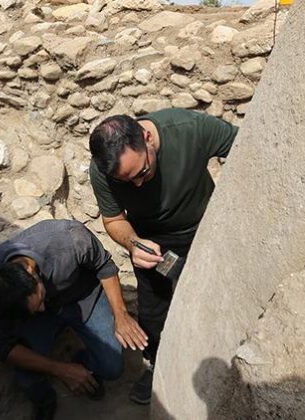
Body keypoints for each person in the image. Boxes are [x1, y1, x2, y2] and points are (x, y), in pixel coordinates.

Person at [88, 108, 239, 404]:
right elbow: (114, 219)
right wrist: (133, 244)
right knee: (154, 309)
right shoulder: (103, 171)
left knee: (215, 296)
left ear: (147, 138)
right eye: (127, 181)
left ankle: (222, 359)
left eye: (142, 172)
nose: (139, 185)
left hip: (206, 231)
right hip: (153, 245)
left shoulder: (190, 128)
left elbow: (250, 149)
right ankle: (157, 364)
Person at [0, 219, 148, 420]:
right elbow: (2, 346)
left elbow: (104, 266)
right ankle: (45, 402)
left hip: (82, 297)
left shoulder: (68, 239)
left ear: (32, 272)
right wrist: (61, 370)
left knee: (111, 367)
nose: (42, 308)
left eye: (39, 299)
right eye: (34, 308)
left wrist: (121, 315)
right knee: (26, 376)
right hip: (37, 323)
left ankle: (82, 362)